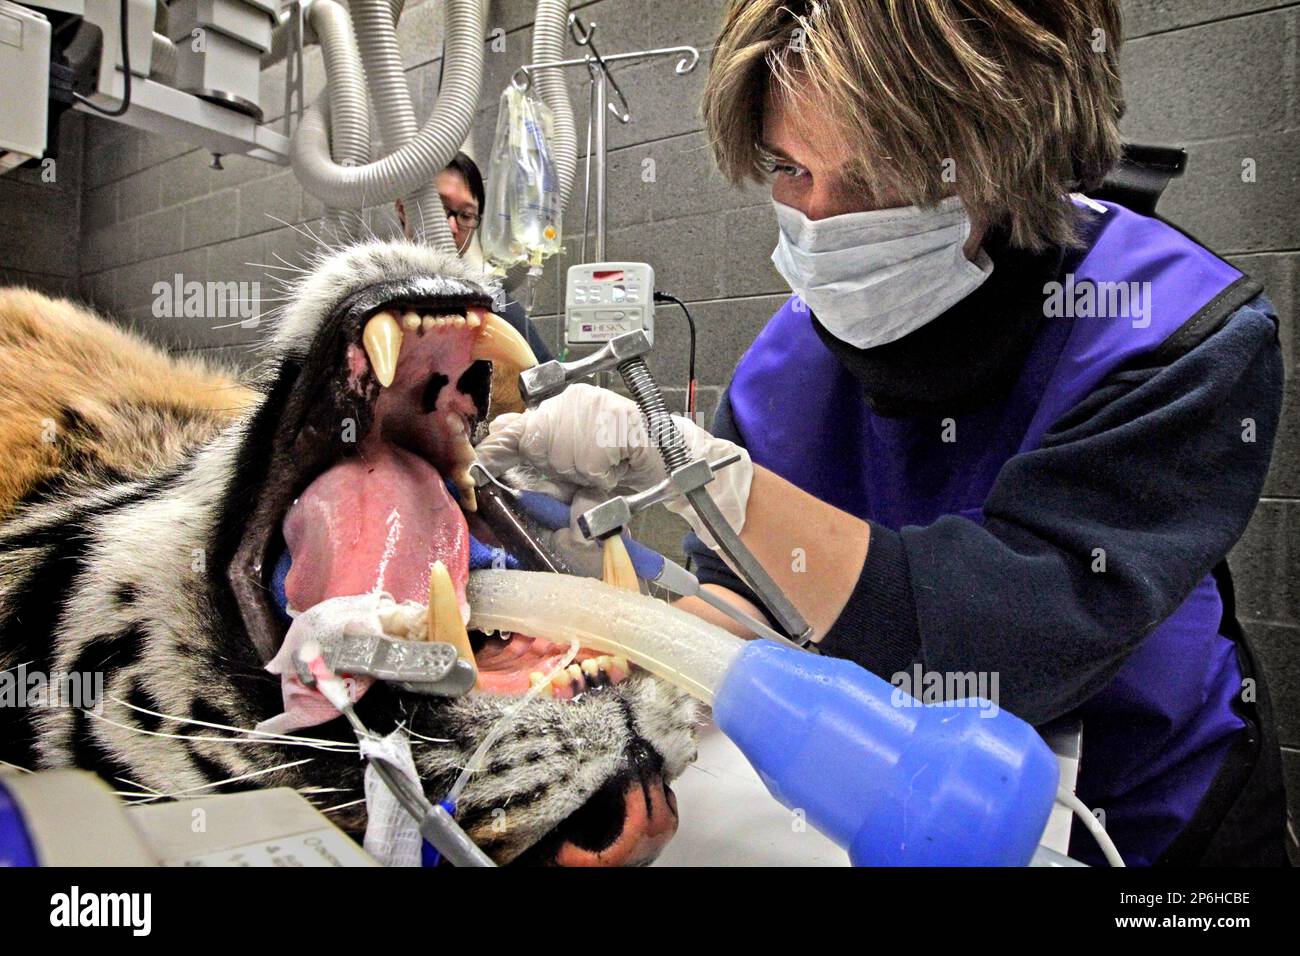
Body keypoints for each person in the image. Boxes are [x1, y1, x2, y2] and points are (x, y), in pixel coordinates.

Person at [476, 0, 1291, 866]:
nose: (820, 223)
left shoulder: (1170, 329)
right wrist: (629, 656)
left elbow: (1021, 643)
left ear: (1008, 160)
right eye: (790, 170)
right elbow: (749, 601)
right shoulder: (784, 369)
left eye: (868, 177)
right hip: (908, 812)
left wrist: (707, 478)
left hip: (1150, 817)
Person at [397, 152, 552, 361]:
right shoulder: (371, 294)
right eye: (438, 209)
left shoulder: (495, 301)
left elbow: (547, 380)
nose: (450, 227)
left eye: (465, 215)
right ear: (402, 209)